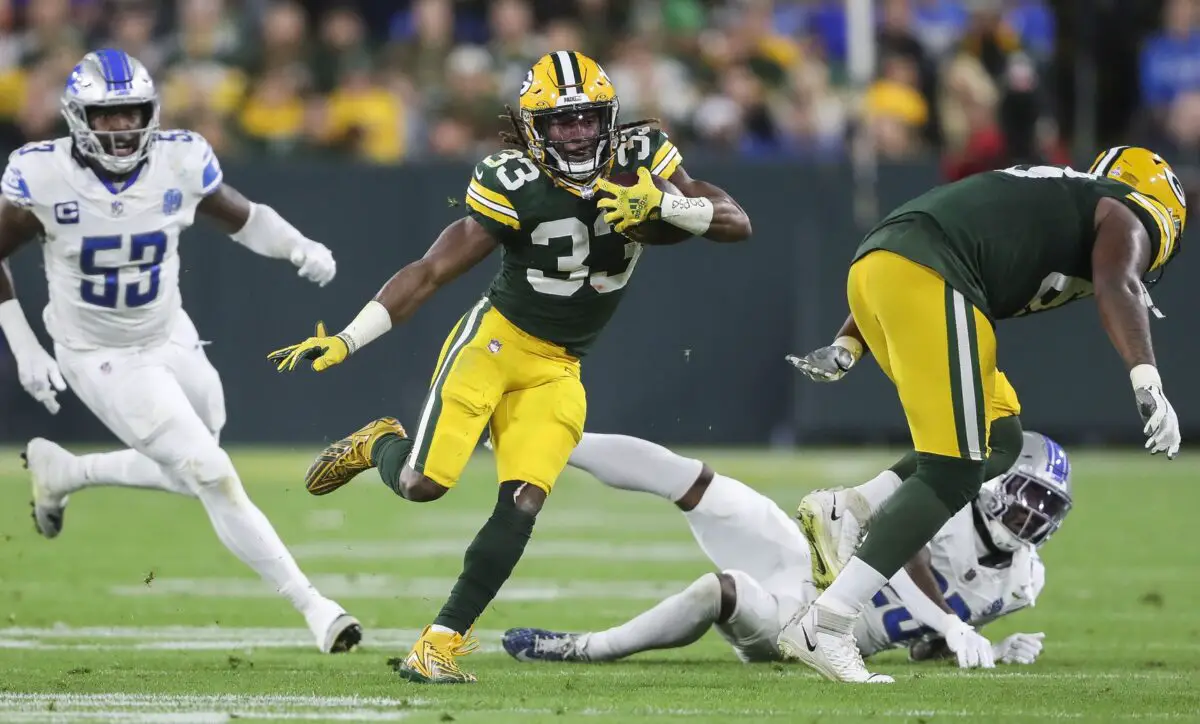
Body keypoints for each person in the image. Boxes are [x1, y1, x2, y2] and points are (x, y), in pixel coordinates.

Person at [266, 50, 752, 683]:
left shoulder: (644, 156)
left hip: (561, 366)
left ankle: (438, 644)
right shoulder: (511, 179)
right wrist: (352, 339)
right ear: (532, 128)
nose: (576, 134)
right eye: (560, 123)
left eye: (586, 120)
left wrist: (668, 207)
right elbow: (432, 270)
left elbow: (736, 222)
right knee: (423, 485)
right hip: (494, 345)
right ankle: (379, 443)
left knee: (523, 500)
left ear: (608, 118)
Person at [778, 147, 1184, 683]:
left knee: (1000, 438)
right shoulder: (1130, 209)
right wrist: (1147, 378)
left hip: (887, 266)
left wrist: (849, 343)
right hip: (931, 275)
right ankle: (827, 624)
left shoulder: (1063, 197)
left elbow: (919, 242)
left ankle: (853, 506)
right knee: (954, 470)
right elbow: (1119, 282)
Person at [0, 50, 358, 654]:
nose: (122, 129)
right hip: (98, 354)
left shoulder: (178, 159)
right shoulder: (43, 175)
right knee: (211, 472)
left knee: (198, 460)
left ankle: (69, 471)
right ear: (77, 117)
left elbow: (243, 218)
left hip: (171, 333)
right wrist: (24, 347)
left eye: (132, 113)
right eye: (107, 117)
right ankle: (315, 606)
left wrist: (298, 246)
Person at [501, 430, 1063, 669]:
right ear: (995, 485)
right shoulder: (954, 503)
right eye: (1027, 497)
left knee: (718, 591)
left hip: (811, 627)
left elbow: (921, 648)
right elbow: (899, 540)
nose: (1031, 516)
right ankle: (549, 438)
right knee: (701, 484)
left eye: (1046, 507)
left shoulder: (1020, 585)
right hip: (808, 560)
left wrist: (988, 646)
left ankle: (586, 648)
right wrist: (948, 624)